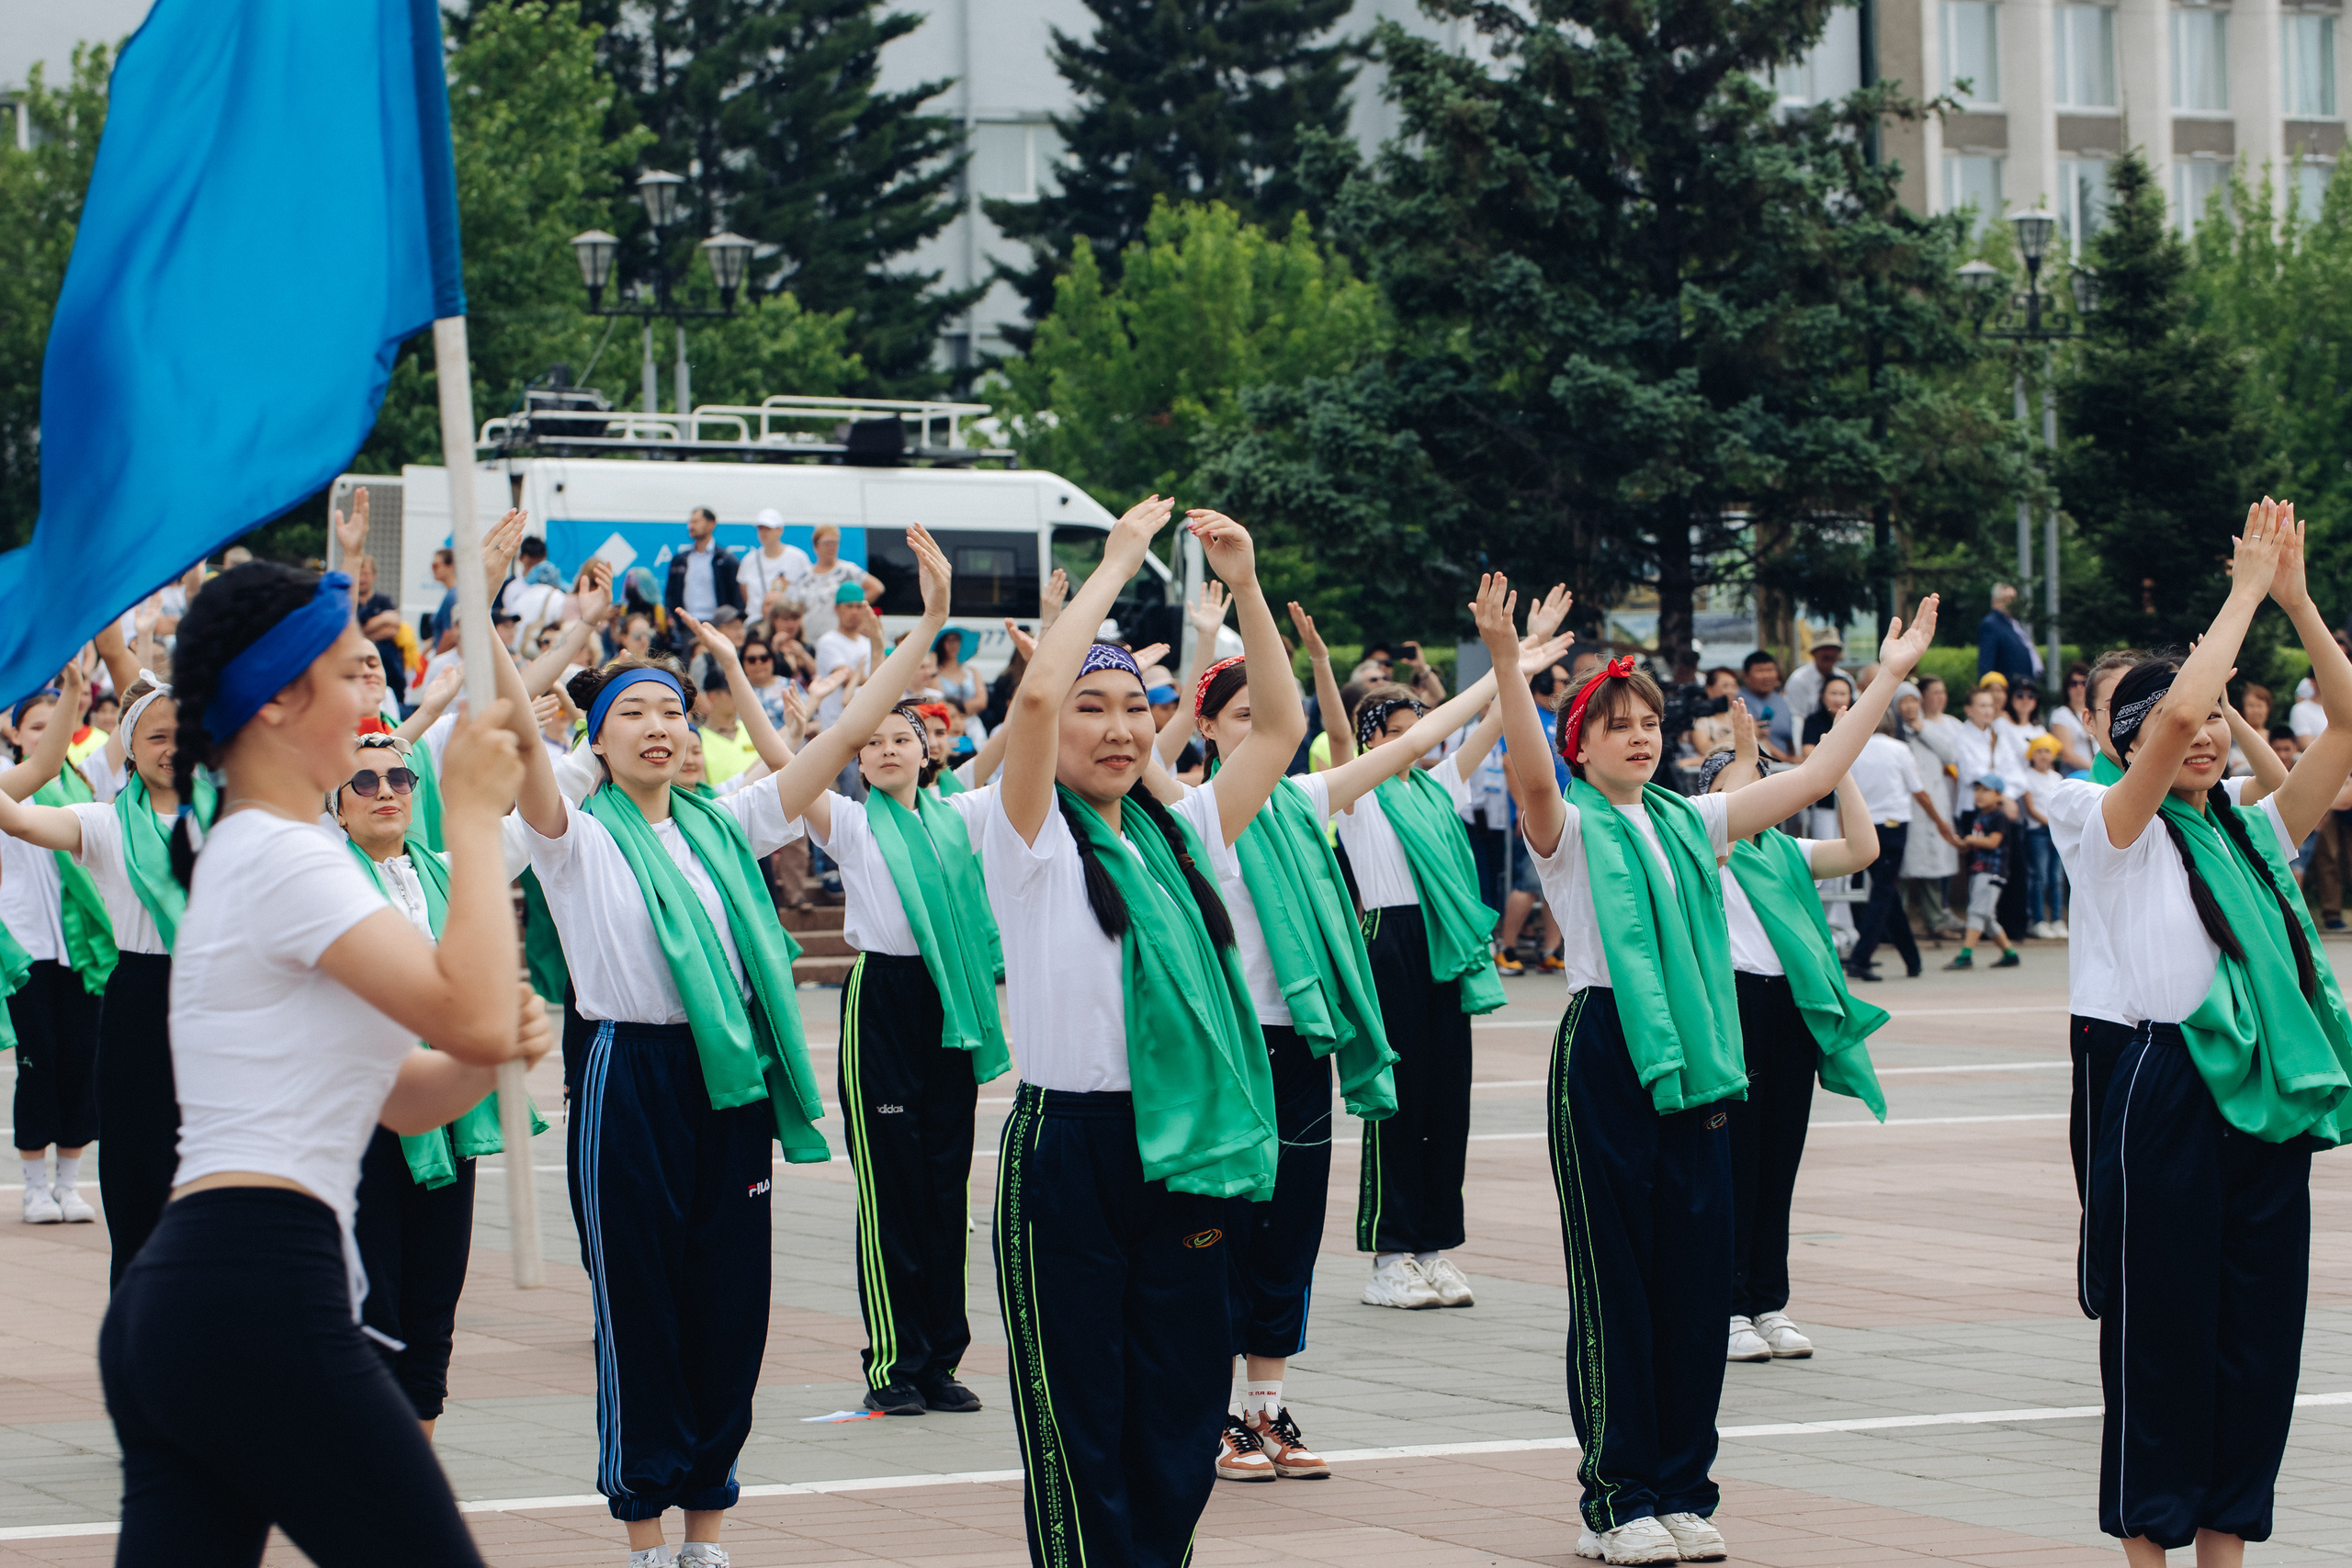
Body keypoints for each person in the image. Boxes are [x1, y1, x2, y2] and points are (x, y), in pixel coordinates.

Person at [1481, 574, 1939, 1564]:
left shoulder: (1693, 821)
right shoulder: (1566, 829)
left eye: (1649, 721)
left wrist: (1886, 680)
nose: (1640, 736)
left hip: (1703, 1063)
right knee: (1619, 1288)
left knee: (1693, 1287)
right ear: (1582, 745)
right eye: (1616, 725)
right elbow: (1523, 775)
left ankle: (1684, 1487)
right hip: (1607, 1051)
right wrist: (1512, 670)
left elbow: (1815, 778)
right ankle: (1617, 1499)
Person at [98, 559, 548, 1564]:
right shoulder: (284, 854)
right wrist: (469, 813)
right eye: (352, 673)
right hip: (257, 1285)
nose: (372, 694)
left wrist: (488, 1059)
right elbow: (468, 1014)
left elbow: (403, 1099)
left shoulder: (254, 853)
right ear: (279, 698)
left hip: (195, 1296)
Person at [1167, 593, 1568, 1480]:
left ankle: (1266, 1412)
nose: (1256, 731)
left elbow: (1418, 740)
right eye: (1239, 718)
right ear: (1206, 727)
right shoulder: (1183, 812)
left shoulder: (1306, 799)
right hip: (1226, 1059)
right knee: (1218, 1232)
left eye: (1262, 719)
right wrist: (1206, 637)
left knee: (1287, 1233)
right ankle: (1210, 1415)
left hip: (1301, 1047)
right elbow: (1143, 754)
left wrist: (1513, 661)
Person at [981, 496, 1284, 1568]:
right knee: (1079, 1415)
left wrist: (1244, 588)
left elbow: (1282, 729)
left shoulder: (1183, 831)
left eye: (1136, 708)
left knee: (1177, 1403)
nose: (1117, 729)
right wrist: (1116, 565)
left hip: (1185, 1146)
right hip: (1072, 1148)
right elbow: (1030, 704)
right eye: (1093, 708)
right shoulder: (1025, 839)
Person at [513, 592, 824, 1565]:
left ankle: (707, 1535)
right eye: (634, 715)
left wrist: (930, 613)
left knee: (730, 1306)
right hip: (630, 1073)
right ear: (596, 744)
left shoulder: (724, 825)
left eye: (673, 713)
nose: (660, 728)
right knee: (640, 1305)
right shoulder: (574, 838)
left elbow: (838, 738)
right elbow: (521, 744)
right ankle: (645, 1536)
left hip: (726, 1080)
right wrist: (486, 610)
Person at [2078, 500, 2352, 1562]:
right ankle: (2149, 1551)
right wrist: (2238, 594)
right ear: (2133, 743)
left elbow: (2346, 719)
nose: (2198, 735)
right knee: (2165, 1342)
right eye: (2175, 725)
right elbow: (2180, 702)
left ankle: (2223, 1551)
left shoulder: (2251, 825)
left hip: (2269, 1097)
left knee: (2255, 1346)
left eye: (2212, 726)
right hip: (2170, 1089)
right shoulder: (2114, 830)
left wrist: (2293, 599)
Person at [765, 528, 1008, 1420]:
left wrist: (1058, 624)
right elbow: (779, 764)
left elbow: (1032, 724)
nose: (888, 749)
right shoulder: (854, 826)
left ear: (930, 752)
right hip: (883, 1002)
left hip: (950, 1008)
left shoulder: (966, 815)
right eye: (872, 745)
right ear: (858, 762)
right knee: (891, 1190)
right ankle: (892, 1366)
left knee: (946, 1188)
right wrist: (795, 713)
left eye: (902, 737)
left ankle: (941, 1360)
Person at [1315, 582, 1575, 1312]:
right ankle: (1388, 1254)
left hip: (1443, 949)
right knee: (1397, 1103)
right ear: (1373, 739)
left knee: (1446, 1103)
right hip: (1389, 944)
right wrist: (1321, 667)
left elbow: (1495, 720)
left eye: (1422, 727)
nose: (1421, 739)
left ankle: (1434, 1248)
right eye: (1402, 729)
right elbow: (1338, 737)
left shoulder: (1440, 788)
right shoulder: (1359, 796)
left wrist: (1520, 652)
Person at [334, 731, 538, 1439]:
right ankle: (370, 1455)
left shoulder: (453, 871)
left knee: (434, 1285)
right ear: (333, 807)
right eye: (363, 781)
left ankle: (413, 1452)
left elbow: (542, 800)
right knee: (370, 1291)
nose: (385, 790)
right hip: (356, 1112)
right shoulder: (320, 883)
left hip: (450, 1106)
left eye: (400, 777)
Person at [1702, 708, 1887, 1367]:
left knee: (1778, 1159)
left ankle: (1766, 1300)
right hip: (1732, 1007)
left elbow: (1862, 850)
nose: (1758, 795)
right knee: (1736, 1162)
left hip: (1788, 1012)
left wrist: (1840, 774)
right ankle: (1722, 1305)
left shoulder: (1783, 851)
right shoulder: (1705, 848)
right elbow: (1730, 806)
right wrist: (1746, 749)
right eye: (1741, 784)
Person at [0, 671, 196, 1277]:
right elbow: (22, 820)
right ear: (129, 748)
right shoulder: (108, 823)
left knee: (216, 1183)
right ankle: (139, 1338)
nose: (172, 748)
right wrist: (75, 694)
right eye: (157, 735)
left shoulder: (235, 821)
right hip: (139, 998)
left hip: (217, 998)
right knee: (138, 1181)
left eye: (183, 735)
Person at [0, 669, 113, 1226]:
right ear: (13, 732)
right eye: (34, 726)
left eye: (55, 727)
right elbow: (38, 768)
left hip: (81, 948)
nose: (46, 737)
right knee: (38, 1063)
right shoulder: (4, 779)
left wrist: (77, 688)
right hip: (24, 946)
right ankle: (34, 1187)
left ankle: (69, 1185)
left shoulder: (81, 781)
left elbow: (106, 749)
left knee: (80, 1063)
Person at [1841, 705, 1946, 982]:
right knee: (1884, 891)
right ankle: (1860, 957)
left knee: (1886, 891)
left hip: (1864, 825)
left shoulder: (1855, 750)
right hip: (1893, 824)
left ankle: (1912, 959)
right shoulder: (1899, 749)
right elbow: (1918, 791)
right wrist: (1940, 822)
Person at [1898, 681, 1964, 941]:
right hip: (1905, 804)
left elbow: (1950, 755)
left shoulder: (1931, 728)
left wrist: (1922, 728)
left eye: (1914, 701)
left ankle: (1934, 920)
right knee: (1902, 866)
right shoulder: (1893, 732)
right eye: (1904, 701)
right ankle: (1898, 923)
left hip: (1934, 800)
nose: (1910, 706)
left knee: (1933, 863)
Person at [1943, 775, 2022, 970]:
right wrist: (1959, 843)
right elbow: (1971, 845)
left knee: (1977, 912)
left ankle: (1965, 955)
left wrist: (1970, 839)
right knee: (1987, 917)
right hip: (1979, 870)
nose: (1979, 795)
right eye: (1977, 790)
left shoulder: (1999, 817)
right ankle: (2010, 954)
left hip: (1992, 872)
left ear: (1998, 795)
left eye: (1985, 791)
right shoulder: (1980, 817)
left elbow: (1993, 842)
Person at [662, 508, 746, 654]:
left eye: (696, 521)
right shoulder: (680, 560)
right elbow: (670, 593)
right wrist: (678, 620)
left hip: (717, 626)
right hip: (687, 627)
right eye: (690, 522)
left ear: (711, 524)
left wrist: (730, 623)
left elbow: (736, 596)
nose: (691, 526)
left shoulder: (726, 560)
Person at [791, 525, 886, 645]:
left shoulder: (847, 570)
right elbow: (797, 609)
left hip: (838, 638)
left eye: (834, 543)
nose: (831, 547)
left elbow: (877, 588)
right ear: (816, 546)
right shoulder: (805, 576)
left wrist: (853, 607)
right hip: (810, 640)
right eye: (826, 543)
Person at [2021, 735, 2068, 937]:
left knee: (2056, 878)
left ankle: (2057, 919)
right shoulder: (2026, 776)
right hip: (2038, 832)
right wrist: (2050, 823)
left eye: (2047, 751)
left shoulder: (2057, 778)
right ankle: (2038, 920)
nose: (2043, 755)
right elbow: (2030, 808)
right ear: (2032, 754)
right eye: (2039, 751)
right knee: (2039, 877)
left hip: (2056, 831)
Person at [738, 508, 809, 616]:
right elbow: (744, 589)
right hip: (757, 622)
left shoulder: (797, 558)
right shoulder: (749, 560)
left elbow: (806, 590)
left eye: (768, 528)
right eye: (761, 529)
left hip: (788, 620)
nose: (764, 533)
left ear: (780, 530)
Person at [1781, 634, 1849, 742]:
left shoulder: (1845, 678)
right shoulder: (1798, 679)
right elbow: (1797, 719)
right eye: (1824, 649)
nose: (1829, 654)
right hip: (1808, 737)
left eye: (1834, 649)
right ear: (1813, 653)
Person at [1733, 651, 1793, 763]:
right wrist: (1787, 760)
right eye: (1760, 671)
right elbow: (1759, 739)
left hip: (1786, 768)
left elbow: (1790, 739)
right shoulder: (1740, 701)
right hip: (1758, 765)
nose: (1766, 676)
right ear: (1746, 676)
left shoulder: (1781, 700)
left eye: (1770, 670)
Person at [1977, 583, 2040, 688]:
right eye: (2007, 599)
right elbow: (1986, 663)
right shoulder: (1991, 625)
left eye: (2014, 598)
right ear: (1995, 602)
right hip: (2007, 688)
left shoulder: (2013, 623)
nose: (2012, 602)